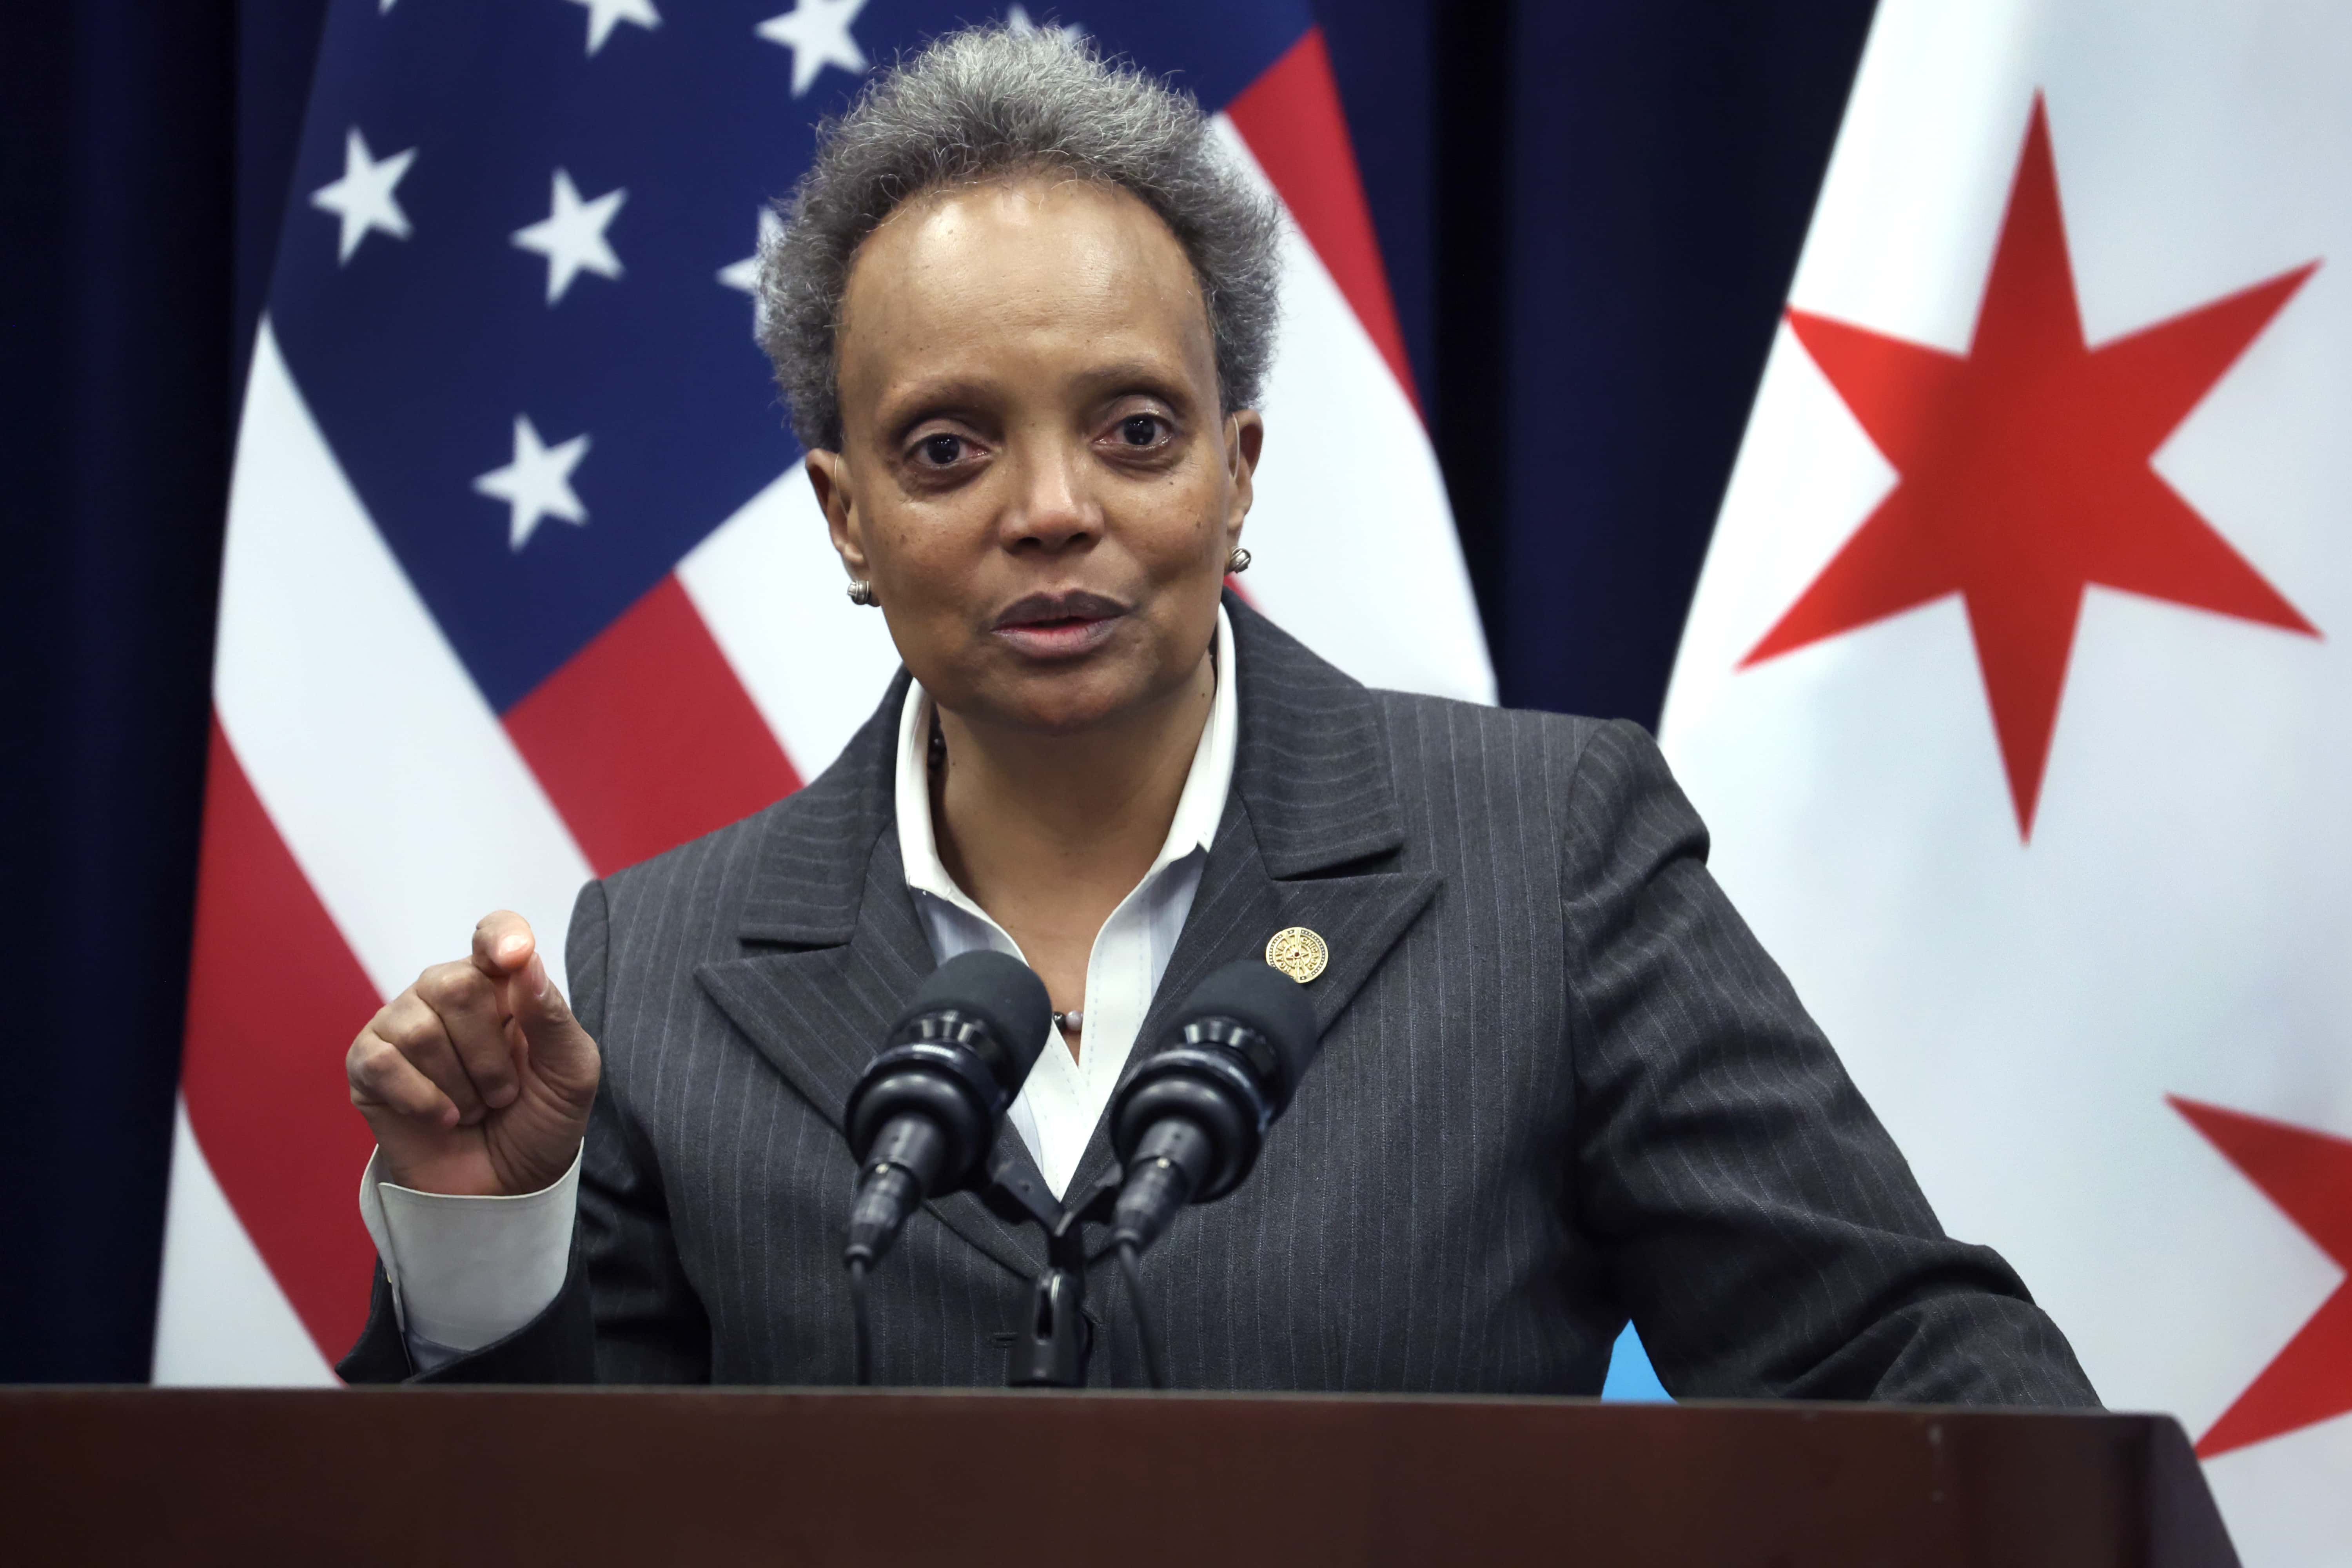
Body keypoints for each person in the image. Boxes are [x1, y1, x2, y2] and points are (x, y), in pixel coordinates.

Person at [339, 25, 2096, 1400]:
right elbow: (535, 1517)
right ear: (846, 515)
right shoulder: (660, 961)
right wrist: (490, 1233)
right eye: (950, 448)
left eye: (1135, 429)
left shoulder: (1545, 858)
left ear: (1237, 475)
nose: (1052, 508)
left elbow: (1905, 1382)